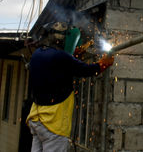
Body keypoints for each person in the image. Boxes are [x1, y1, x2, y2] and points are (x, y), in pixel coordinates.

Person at [26, 22, 114, 152]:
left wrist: (73, 55)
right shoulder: (62, 57)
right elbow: (86, 70)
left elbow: (59, 65)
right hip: (53, 123)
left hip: (36, 120)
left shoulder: (37, 54)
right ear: (63, 39)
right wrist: (102, 65)